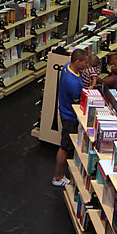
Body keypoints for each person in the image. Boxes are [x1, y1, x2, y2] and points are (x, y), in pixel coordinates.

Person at [52, 48, 89, 186]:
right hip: (70, 117)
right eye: (84, 62)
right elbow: (78, 101)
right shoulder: (72, 82)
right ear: (77, 61)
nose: (87, 65)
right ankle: (57, 177)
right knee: (64, 147)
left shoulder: (68, 66)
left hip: (65, 111)